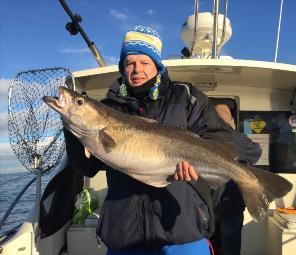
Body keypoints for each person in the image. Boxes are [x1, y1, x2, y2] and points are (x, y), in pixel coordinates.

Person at [64, 26, 261, 255]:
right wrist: (71, 125)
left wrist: (239, 167)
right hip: (125, 235)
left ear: (157, 64)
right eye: (130, 63)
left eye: (144, 62)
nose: (137, 70)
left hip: (181, 231)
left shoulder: (186, 97)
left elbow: (219, 136)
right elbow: (87, 167)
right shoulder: (108, 108)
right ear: (122, 67)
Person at [212, 104, 248, 255]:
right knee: (231, 247)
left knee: (210, 245)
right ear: (231, 120)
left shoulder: (206, 138)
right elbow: (255, 153)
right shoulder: (239, 140)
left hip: (209, 205)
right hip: (233, 204)